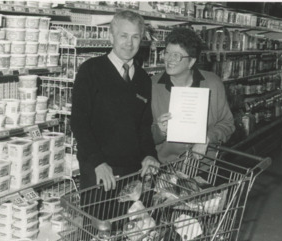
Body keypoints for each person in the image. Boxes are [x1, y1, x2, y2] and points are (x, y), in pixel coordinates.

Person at [71, 10, 160, 219]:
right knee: (97, 233)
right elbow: (79, 122)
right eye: (123, 36)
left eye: (135, 37)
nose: (129, 43)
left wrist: (149, 155)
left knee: (130, 234)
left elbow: (143, 126)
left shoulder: (143, 78)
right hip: (99, 170)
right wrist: (97, 163)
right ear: (111, 37)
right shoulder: (91, 70)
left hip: (132, 172)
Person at [151, 27, 235, 163]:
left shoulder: (213, 83)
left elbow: (227, 124)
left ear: (191, 61)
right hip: (165, 167)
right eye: (167, 53)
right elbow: (141, 135)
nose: (169, 59)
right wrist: (159, 131)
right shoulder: (152, 86)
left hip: (205, 166)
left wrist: (207, 138)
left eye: (176, 55)